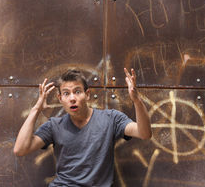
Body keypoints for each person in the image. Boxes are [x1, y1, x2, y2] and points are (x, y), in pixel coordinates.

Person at [13, 68, 152, 186]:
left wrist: (136, 100)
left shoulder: (111, 119)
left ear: (87, 95)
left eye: (77, 91)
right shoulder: (54, 125)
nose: (72, 98)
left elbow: (144, 133)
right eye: (66, 93)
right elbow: (20, 149)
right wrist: (36, 109)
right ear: (60, 98)